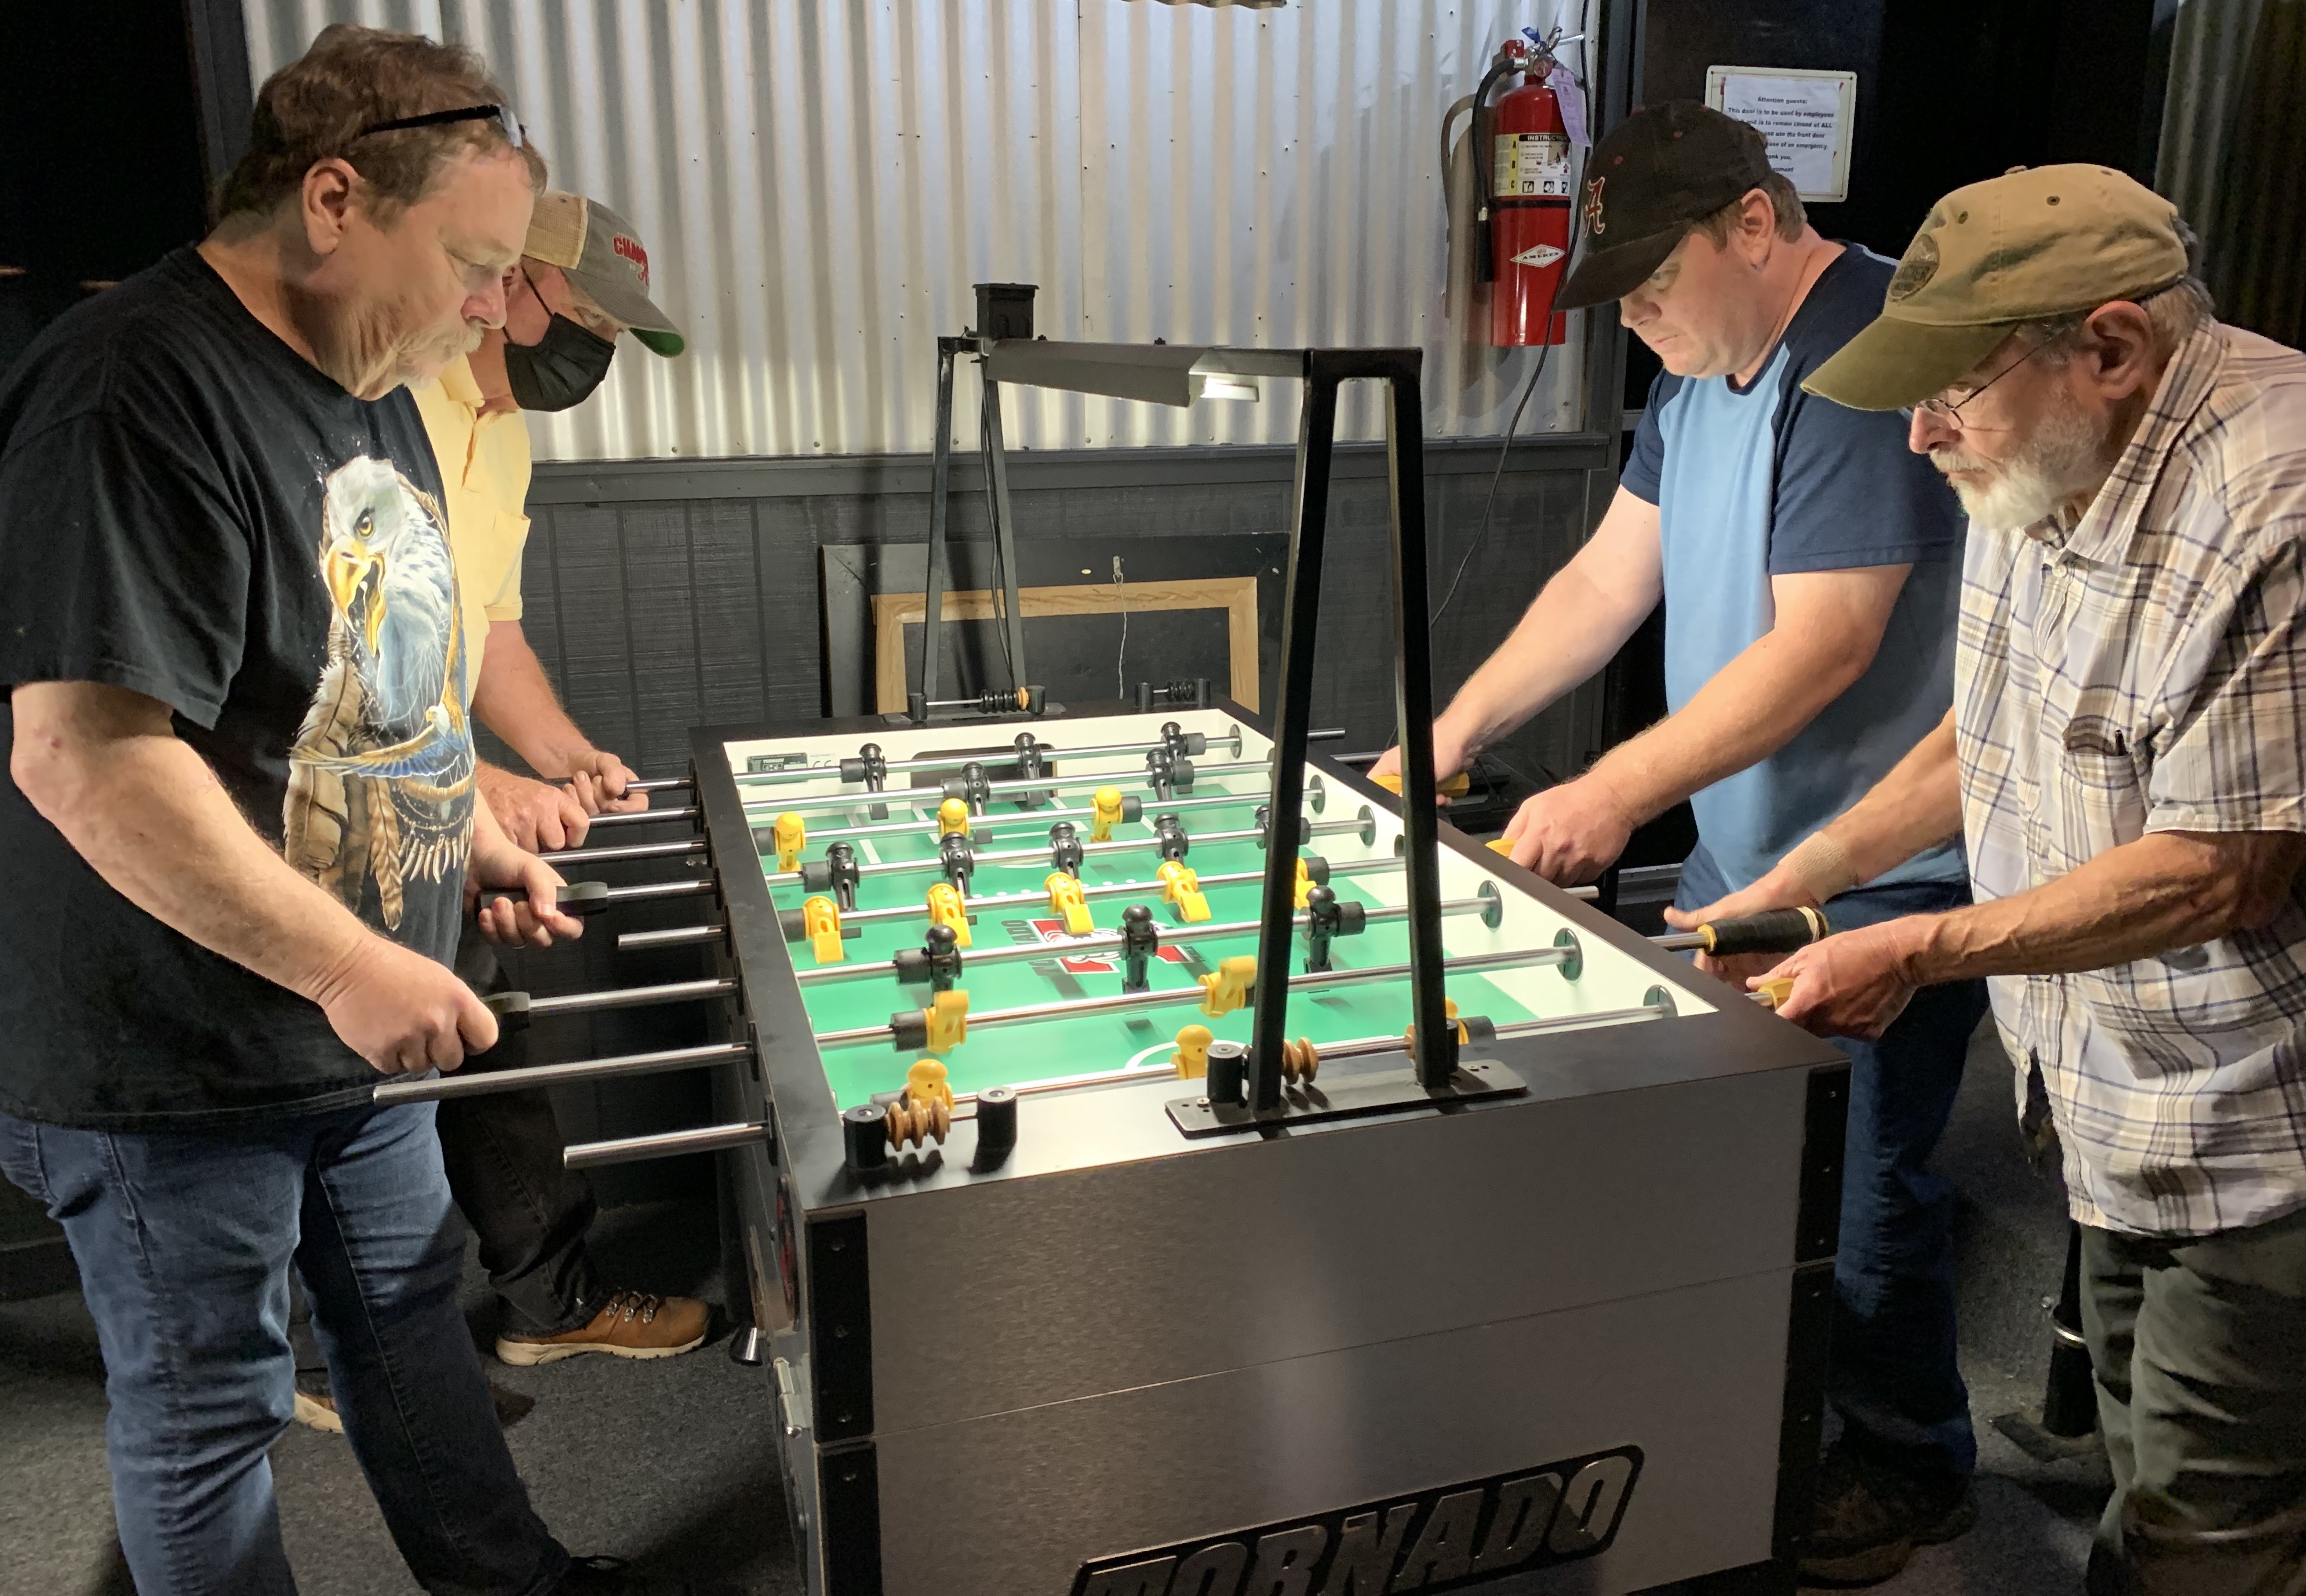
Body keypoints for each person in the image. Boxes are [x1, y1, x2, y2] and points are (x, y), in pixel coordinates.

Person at [0, 24, 641, 1595]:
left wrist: (470, 838)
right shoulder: (130, 386)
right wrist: (354, 962)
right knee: (211, 1409)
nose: (496, 309)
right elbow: (85, 753)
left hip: (340, 1045)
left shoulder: (375, 386)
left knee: (409, 1321)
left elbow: (379, 687)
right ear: (336, 198)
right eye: (476, 263)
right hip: (174, 1053)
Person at [1375, 102, 1988, 1582]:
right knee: (1751, 1176)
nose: (1639, 317)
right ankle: (1750, 1417)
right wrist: (1445, 738)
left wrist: (1614, 791)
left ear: (1757, 225)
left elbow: (1826, 644)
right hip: (1747, 857)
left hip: (1878, 865)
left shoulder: (1862, 356)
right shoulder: (1701, 367)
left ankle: (1911, 1463)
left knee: (1864, 1192)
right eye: (1622, 289)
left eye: (1658, 280)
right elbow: (1606, 579)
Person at [1684, 164, 2306, 1596]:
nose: (1919, 434)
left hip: (2252, 1129)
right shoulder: (2034, 455)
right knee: (2159, 1465)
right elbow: (1990, 726)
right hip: (2107, 1098)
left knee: (2205, 1537)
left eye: (1953, 389)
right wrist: (1804, 881)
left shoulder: (2267, 500)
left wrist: (1911, 953)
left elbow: (2220, 873)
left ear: (2108, 348)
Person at [289, 193, 702, 1433]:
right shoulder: (387, 405)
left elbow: (486, 631)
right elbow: (344, 659)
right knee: (356, 1085)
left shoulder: (503, 433)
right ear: (502, 284)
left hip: (443, 799)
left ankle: (545, 1296)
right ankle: (336, 1358)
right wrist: (483, 790)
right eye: (580, 318)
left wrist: (566, 757)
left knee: (492, 1031)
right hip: (341, 812)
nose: (593, 353)